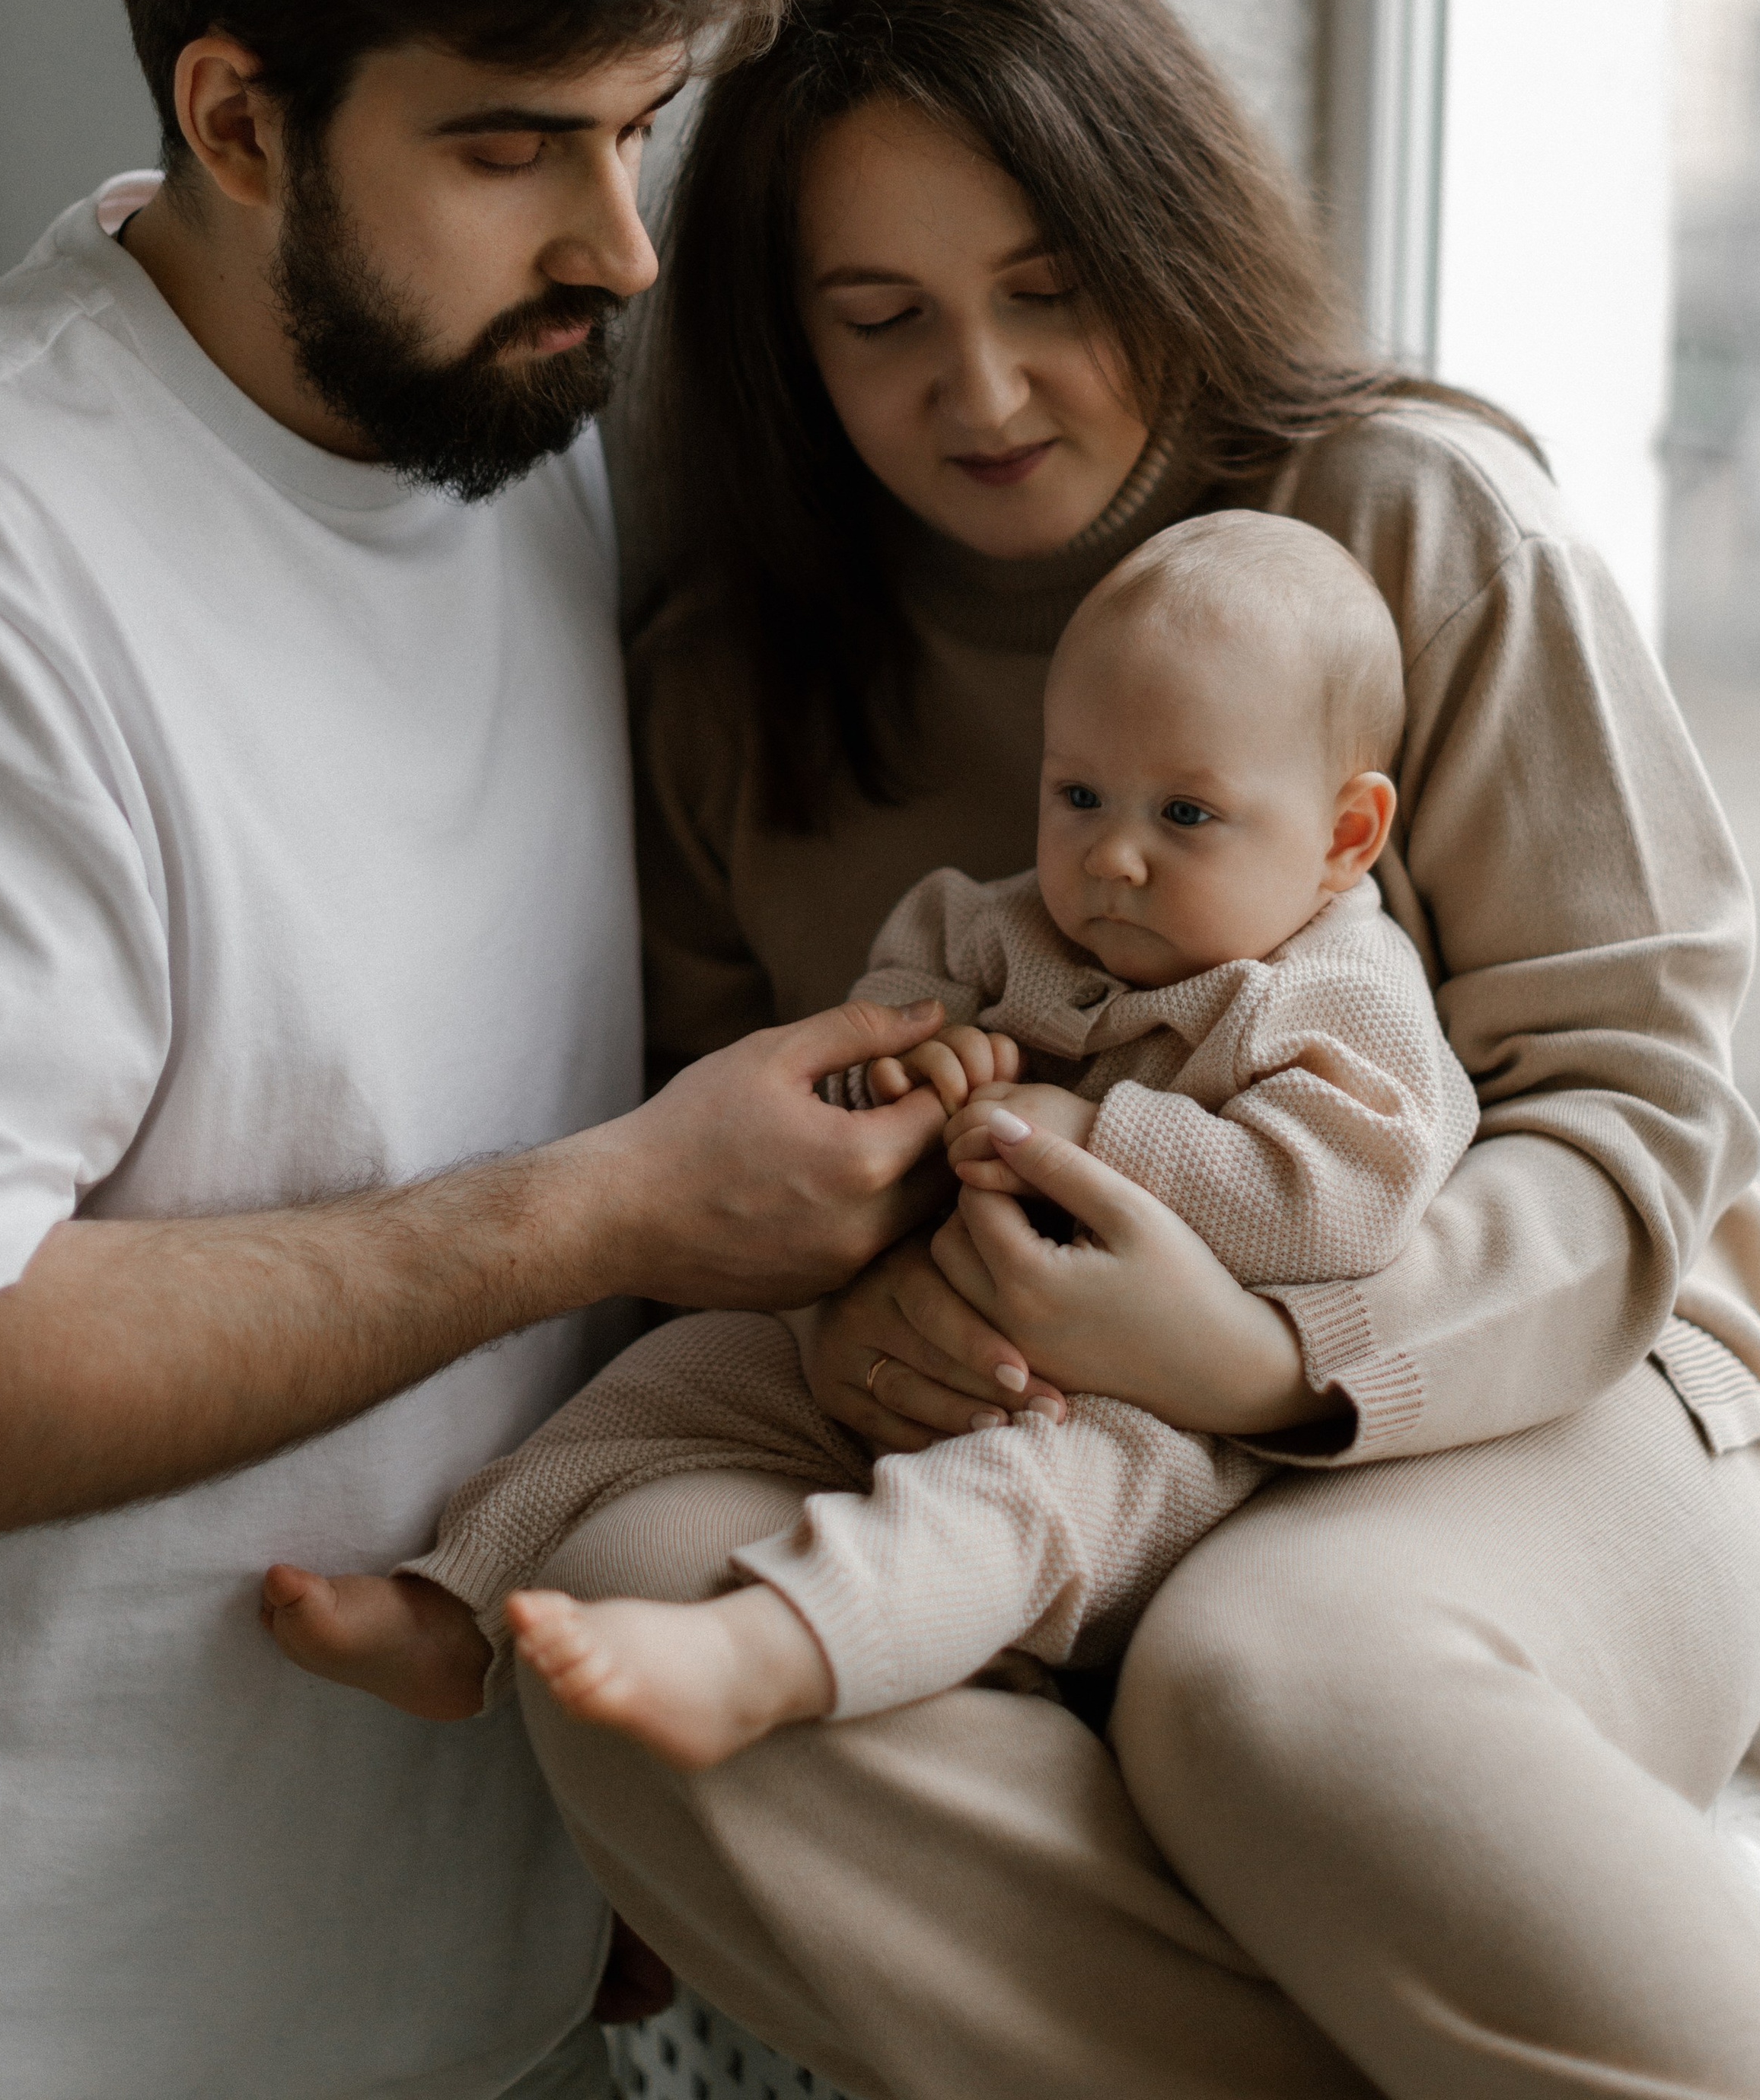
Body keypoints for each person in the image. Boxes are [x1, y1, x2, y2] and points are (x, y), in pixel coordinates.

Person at [511, 0, 1760, 2098]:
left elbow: (1634, 1113)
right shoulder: (729, 694)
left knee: (1267, 1677)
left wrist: (1269, 1353)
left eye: (1049, 293)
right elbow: (730, 1151)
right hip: (1017, 1451)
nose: (982, 389)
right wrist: (864, 1313)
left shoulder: (1410, 522)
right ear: (787, 346)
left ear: (1159, 237)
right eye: (882, 321)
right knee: (635, 1613)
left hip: (1542, 1403)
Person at [0, 0, 962, 2100]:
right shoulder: (9, 572)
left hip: (503, 1975)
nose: (617, 244)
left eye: (640, 132)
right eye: (517, 144)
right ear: (237, 117)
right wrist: (608, 1210)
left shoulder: (520, 406)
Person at [262, 508, 1478, 1758]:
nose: (1112, 857)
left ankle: (770, 1651)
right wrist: (914, 1070)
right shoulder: (987, 929)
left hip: (1141, 1416)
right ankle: (462, 1604)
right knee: (684, 1374)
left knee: (1019, 1503)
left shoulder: (1336, 995)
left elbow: (1345, 1196)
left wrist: (1098, 1134)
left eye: (1186, 816)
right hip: (894, 1338)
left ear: (1344, 838)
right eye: (1077, 794)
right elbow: (868, 1066)